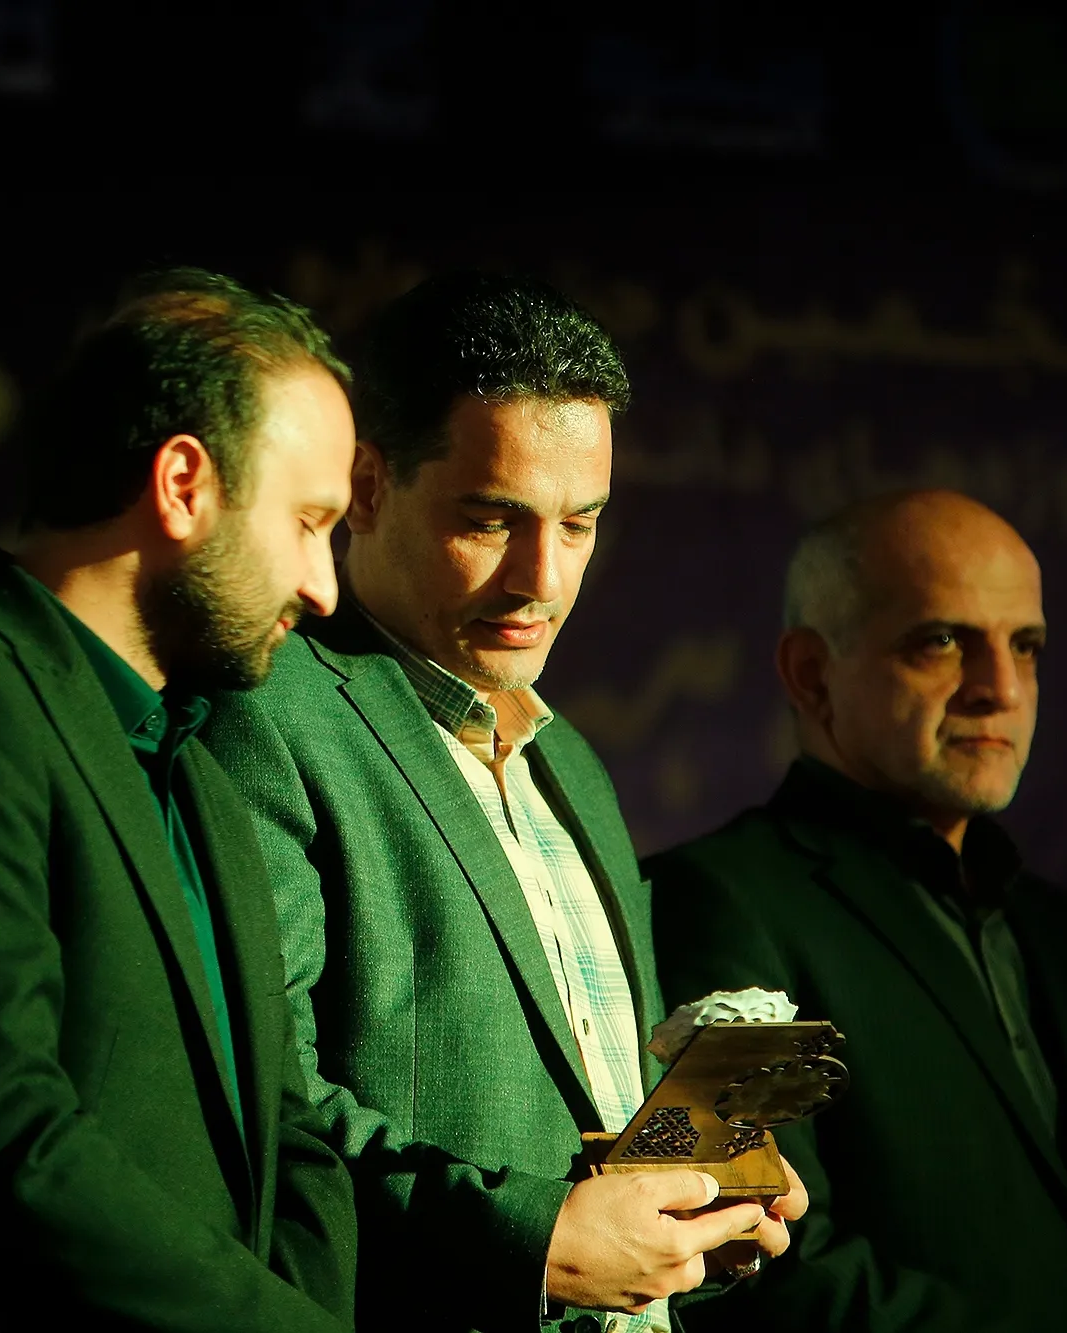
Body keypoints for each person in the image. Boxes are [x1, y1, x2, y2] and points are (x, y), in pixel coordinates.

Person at [204, 271, 804, 1333]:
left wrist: (696, 1196)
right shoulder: (266, 717)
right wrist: (532, 1244)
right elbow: (264, 1105)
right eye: (492, 520)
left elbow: (596, 1144)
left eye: (579, 525)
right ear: (368, 488)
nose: (543, 578)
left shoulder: (571, 765)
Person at [0, 269, 360, 1331]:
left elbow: (293, 1137)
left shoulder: (202, 772)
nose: (323, 587)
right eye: (310, 522)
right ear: (182, 484)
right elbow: (6, 1135)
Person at [646, 489, 1067, 1332]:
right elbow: (751, 1253)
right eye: (942, 641)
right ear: (811, 673)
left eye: (1026, 646)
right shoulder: (714, 901)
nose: (1001, 688)